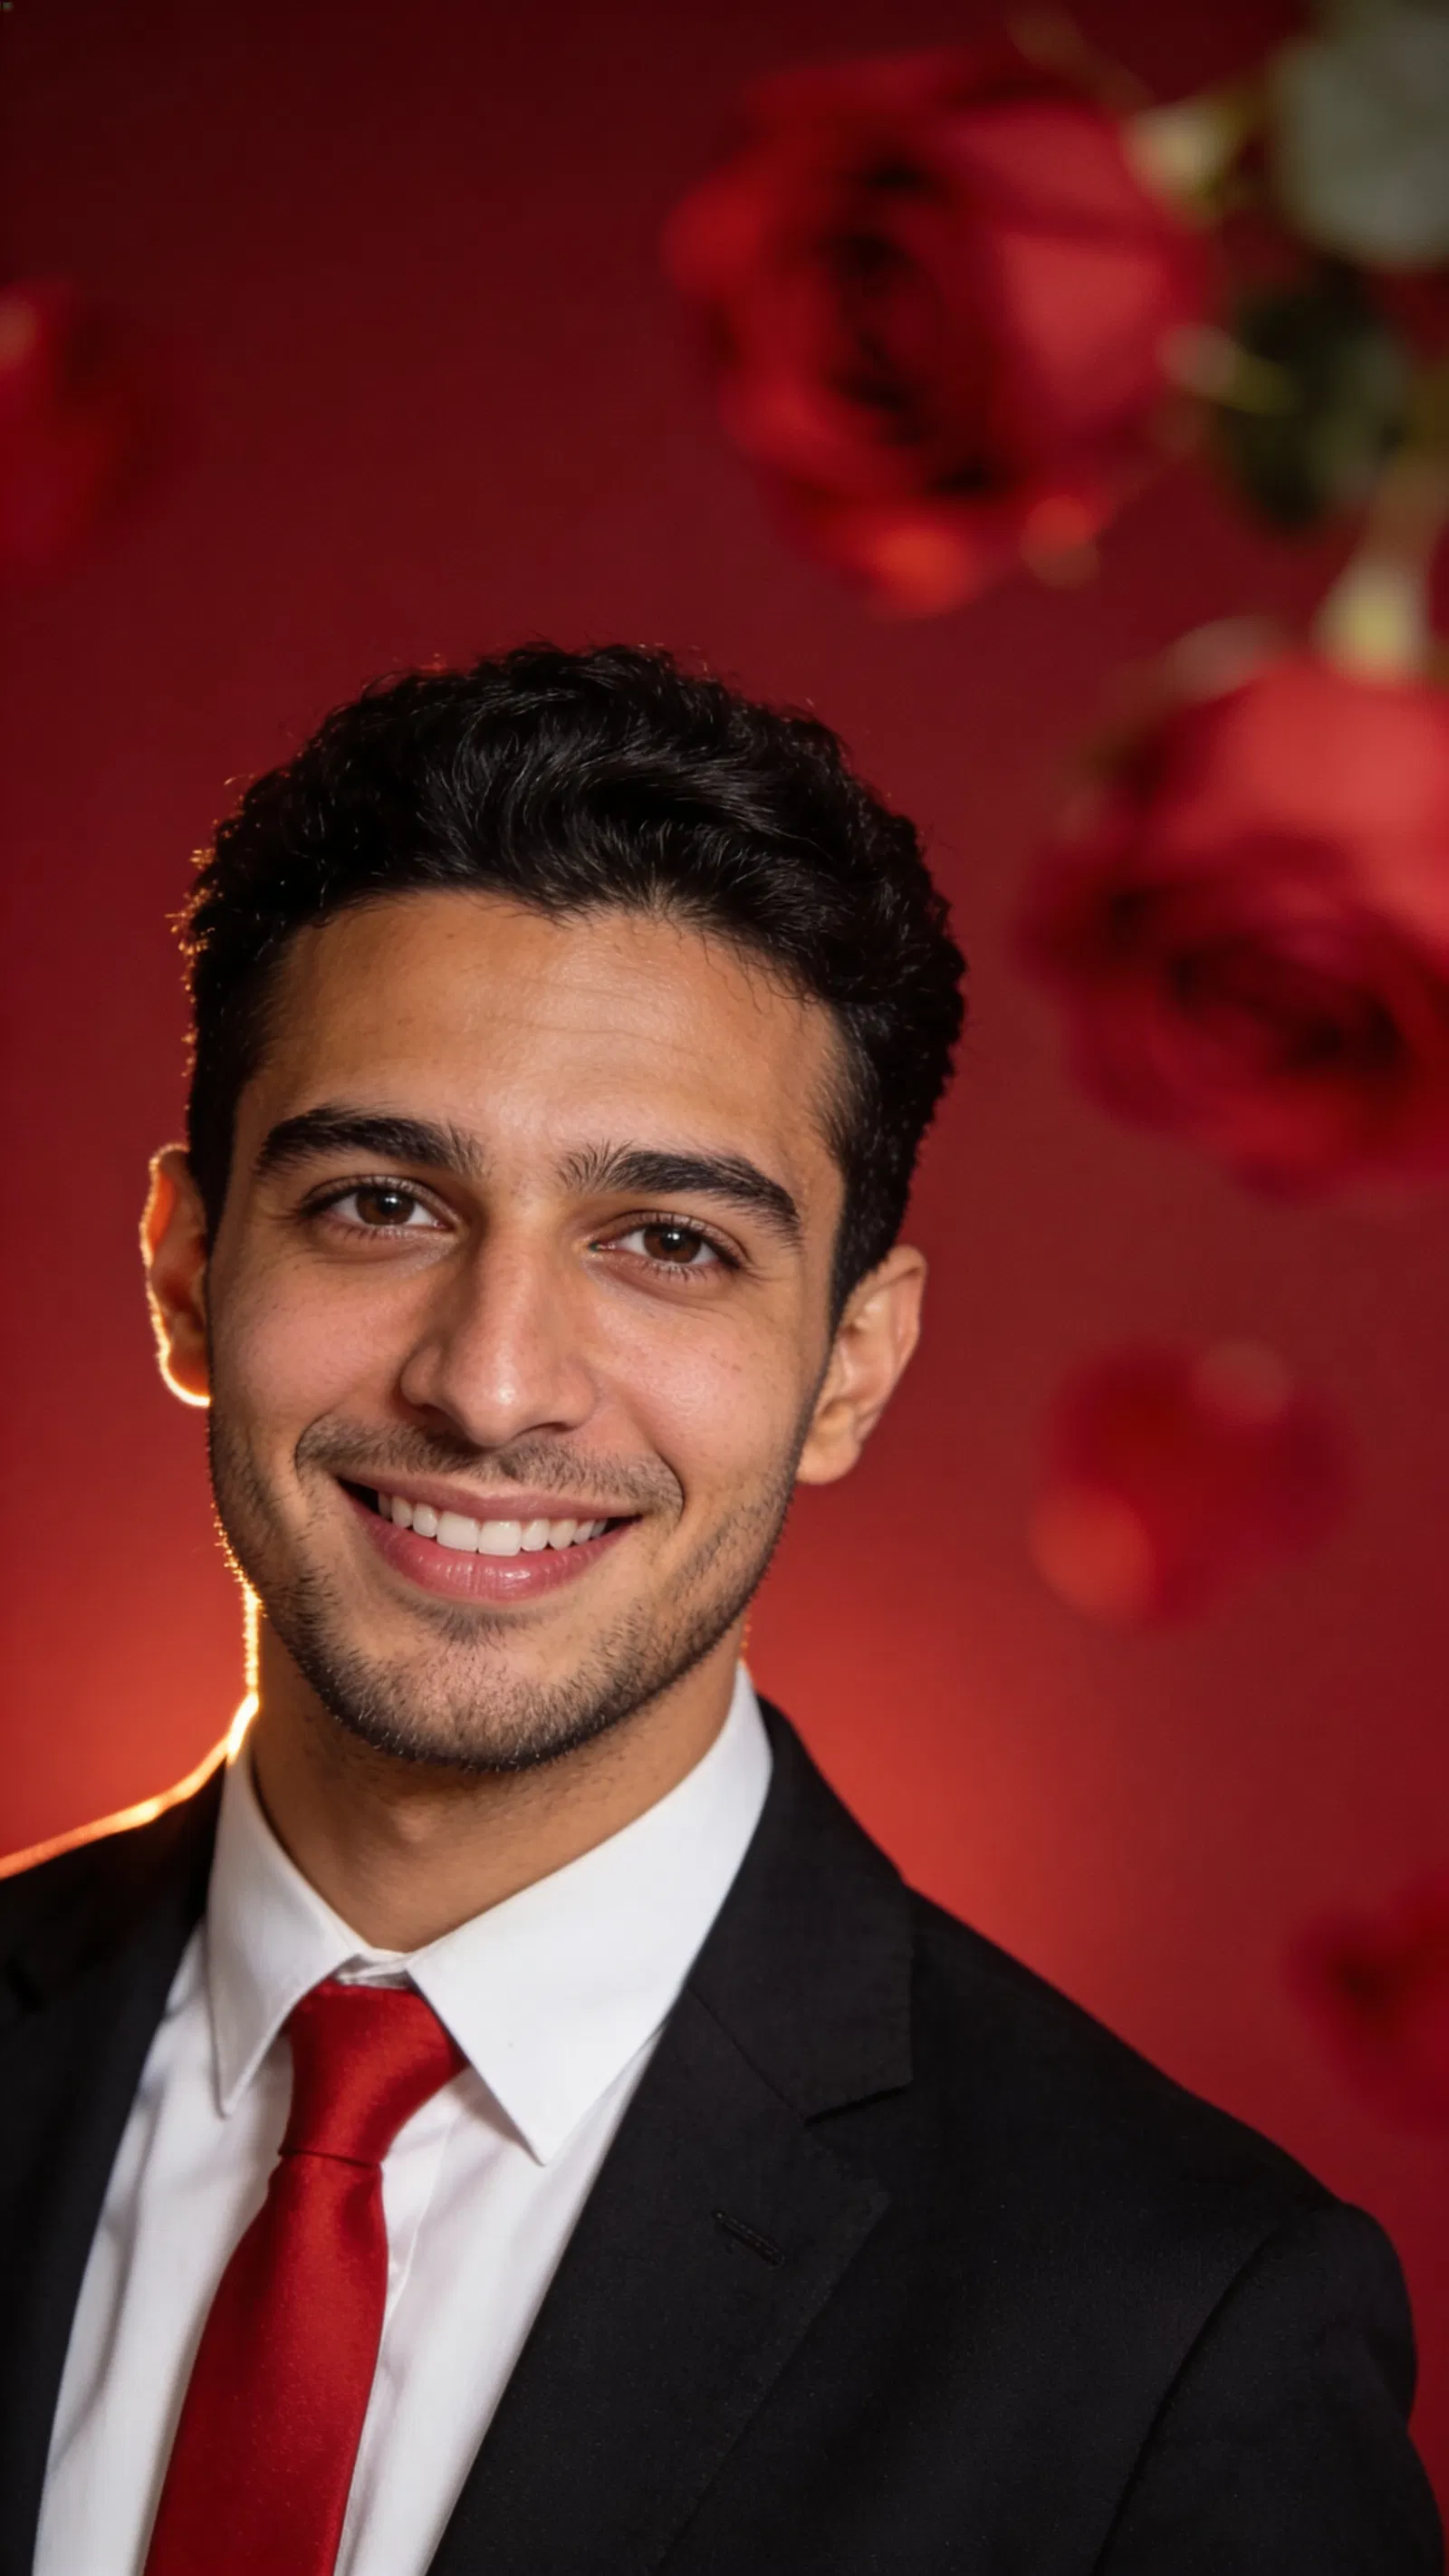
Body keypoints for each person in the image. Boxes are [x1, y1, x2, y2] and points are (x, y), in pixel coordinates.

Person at [0, 644, 1438, 2576]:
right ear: (185, 1269)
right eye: (379, 1203)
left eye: (665, 1244)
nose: (492, 1385)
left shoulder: (1173, 2336)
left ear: (850, 1364)